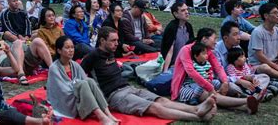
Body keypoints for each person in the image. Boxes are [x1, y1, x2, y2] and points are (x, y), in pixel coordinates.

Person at [81, 26, 217, 122]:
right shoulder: (92, 56)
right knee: (155, 107)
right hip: (115, 96)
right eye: (113, 40)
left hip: (128, 88)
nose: (117, 43)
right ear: (102, 41)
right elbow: (81, 79)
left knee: (162, 100)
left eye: (117, 40)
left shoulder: (111, 51)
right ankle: (197, 116)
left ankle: (195, 109)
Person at [171, 28, 260, 114]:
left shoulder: (208, 52)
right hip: (187, 85)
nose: (216, 41)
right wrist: (210, 87)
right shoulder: (186, 50)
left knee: (223, 84)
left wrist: (225, 82)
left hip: (205, 82)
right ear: (204, 39)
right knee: (209, 94)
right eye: (214, 38)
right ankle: (246, 100)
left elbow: (218, 68)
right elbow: (191, 72)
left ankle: (245, 103)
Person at [0, 42, 50, 124]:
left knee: (19, 106)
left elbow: (15, 69)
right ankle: (38, 122)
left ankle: (37, 113)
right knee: (10, 114)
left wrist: (8, 52)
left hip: (2, 106)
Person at [47, 36, 119, 124]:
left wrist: (80, 84)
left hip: (78, 96)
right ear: (59, 51)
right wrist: (78, 85)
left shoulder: (75, 65)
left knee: (90, 81)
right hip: (65, 102)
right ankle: (101, 116)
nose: (71, 50)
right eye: (67, 47)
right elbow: (63, 90)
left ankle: (108, 113)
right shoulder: (54, 68)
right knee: (82, 84)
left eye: (72, 47)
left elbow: (85, 80)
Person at [0, 0, 53, 77]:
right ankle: (22, 44)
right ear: (9, 3)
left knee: (38, 33)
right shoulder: (5, 14)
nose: (16, 2)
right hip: (14, 36)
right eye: (14, 1)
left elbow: (28, 25)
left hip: (25, 36)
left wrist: (27, 35)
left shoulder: (23, 12)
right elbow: (7, 27)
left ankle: (50, 65)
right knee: (7, 33)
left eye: (17, 0)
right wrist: (18, 36)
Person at [161, 2, 195, 71]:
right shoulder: (172, 28)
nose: (187, 12)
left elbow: (191, 46)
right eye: (183, 10)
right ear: (176, 14)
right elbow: (169, 51)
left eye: (187, 9)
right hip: (174, 64)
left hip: (187, 62)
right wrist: (165, 71)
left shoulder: (188, 26)